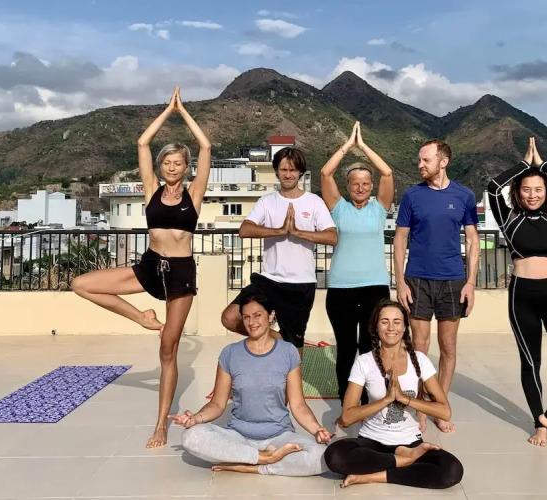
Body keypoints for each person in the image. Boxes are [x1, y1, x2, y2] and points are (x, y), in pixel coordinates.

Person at [72, 87, 211, 448]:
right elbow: (142, 143)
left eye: (177, 163)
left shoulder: (194, 193)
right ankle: (142, 318)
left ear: (186, 168)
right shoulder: (151, 188)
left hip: (180, 274)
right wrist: (167, 111)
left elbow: (206, 146)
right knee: (81, 284)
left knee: (168, 350)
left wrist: (184, 113)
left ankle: (161, 424)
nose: (171, 167)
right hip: (150, 266)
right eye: (167, 163)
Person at [169, 293, 333, 476]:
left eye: (257, 315)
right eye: (246, 317)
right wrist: (195, 419)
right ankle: (264, 458)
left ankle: (254, 465)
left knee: (324, 456)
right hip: (238, 437)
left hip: (279, 437)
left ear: (271, 315)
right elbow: (217, 403)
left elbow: (298, 404)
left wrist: (317, 430)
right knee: (191, 436)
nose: (251, 322)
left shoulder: (288, 352)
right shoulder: (230, 353)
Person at [487, 137, 547, 446]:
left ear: (546, 192)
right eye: (526, 189)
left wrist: (543, 166)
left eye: (538, 189)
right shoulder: (509, 218)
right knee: (531, 363)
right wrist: (523, 166)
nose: (532, 194)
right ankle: (538, 424)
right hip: (522, 297)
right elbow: (492, 188)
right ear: (518, 192)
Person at [323, 299, 463, 489]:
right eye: (384, 322)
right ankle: (402, 462)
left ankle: (374, 475)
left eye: (397, 322)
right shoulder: (364, 362)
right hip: (372, 442)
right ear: (376, 327)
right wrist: (386, 399)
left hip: (410, 443)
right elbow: (347, 417)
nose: (391, 328)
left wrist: (405, 399)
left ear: (404, 327)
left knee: (452, 470)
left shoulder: (420, 360)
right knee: (335, 455)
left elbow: (445, 412)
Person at [394, 139, 479, 433]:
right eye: (419, 160)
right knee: (419, 347)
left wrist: (470, 282)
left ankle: (440, 406)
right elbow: (400, 239)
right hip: (417, 279)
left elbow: (472, 240)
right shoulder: (411, 196)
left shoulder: (465, 196)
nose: (420, 165)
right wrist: (400, 281)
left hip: (453, 281)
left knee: (448, 347)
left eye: (425, 160)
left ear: (443, 162)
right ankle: (420, 407)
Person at [221, 147, 338, 356]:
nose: (288, 174)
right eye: (284, 169)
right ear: (276, 171)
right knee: (230, 317)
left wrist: (298, 232)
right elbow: (244, 230)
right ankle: (281, 339)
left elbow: (332, 237)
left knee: (296, 354)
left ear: (300, 172)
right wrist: (279, 231)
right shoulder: (267, 202)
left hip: (301, 284)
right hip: (269, 280)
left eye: (292, 170)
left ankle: (290, 349)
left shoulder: (314, 202)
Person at [320, 121, 393, 409]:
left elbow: (387, 173)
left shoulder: (379, 208)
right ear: (348, 187)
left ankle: (371, 399)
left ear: (371, 187)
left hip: (375, 288)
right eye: (355, 183)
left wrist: (363, 146)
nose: (360, 188)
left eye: (365, 183)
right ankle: (347, 403)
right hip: (341, 289)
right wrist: (347, 146)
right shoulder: (338, 208)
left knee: (370, 348)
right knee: (346, 348)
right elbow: (326, 173)